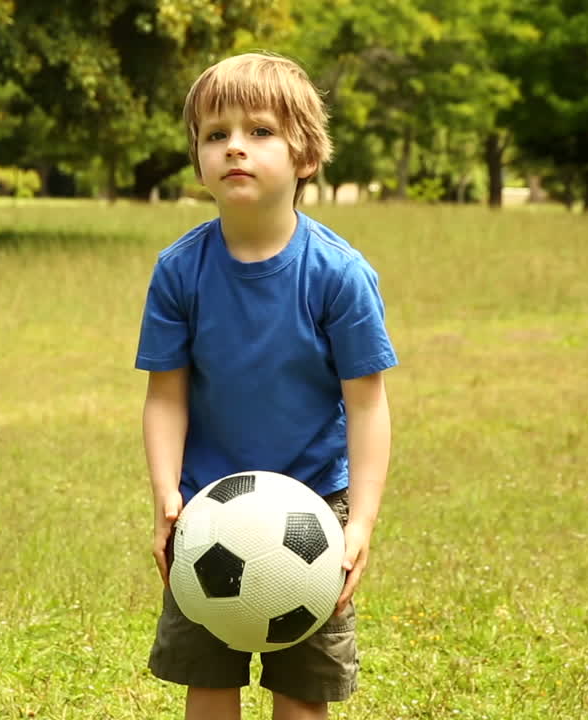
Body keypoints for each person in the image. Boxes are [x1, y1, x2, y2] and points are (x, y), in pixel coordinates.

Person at [135, 52, 398, 720]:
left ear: (305, 154)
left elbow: (367, 405)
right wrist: (168, 496)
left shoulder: (340, 275)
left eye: (259, 132)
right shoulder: (179, 271)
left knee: (305, 687)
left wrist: (360, 521)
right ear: (198, 156)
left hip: (316, 510)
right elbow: (165, 394)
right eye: (215, 134)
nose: (235, 148)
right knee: (208, 678)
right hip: (206, 508)